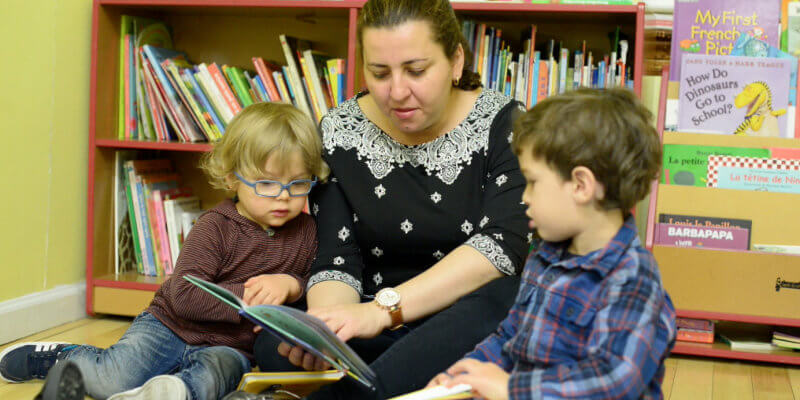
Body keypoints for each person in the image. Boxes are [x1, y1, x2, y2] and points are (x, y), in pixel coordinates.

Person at [252, 0, 531, 399]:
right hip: (373, 328)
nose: (397, 92)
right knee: (276, 340)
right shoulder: (339, 128)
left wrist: (381, 312)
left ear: (455, 61)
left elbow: (502, 246)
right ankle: (404, 383)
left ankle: (357, 391)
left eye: (416, 71)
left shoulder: (503, 122)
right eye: (379, 73)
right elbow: (336, 256)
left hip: (461, 321)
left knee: (513, 296)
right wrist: (329, 327)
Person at [0, 102, 329, 400]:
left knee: (213, 381)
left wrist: (291, 285)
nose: (284, 196)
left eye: (298, 183)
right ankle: (64, 357)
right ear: (232, 179)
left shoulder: (308, 233)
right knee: (112, 378)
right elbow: (185, 294)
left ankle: (171, 393)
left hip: (231, 347)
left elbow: (316, 291)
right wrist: (250, 298)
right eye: (267, 184)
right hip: (168, 326)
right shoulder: (215, 226)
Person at [428, 88, 677, 400]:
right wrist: (466, 373)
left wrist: (511, 389)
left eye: (533, 182)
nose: (525, 197)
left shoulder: (633, 278)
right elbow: (510, 337)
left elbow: (615, 379)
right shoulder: (545, 256)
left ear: (581, 185)